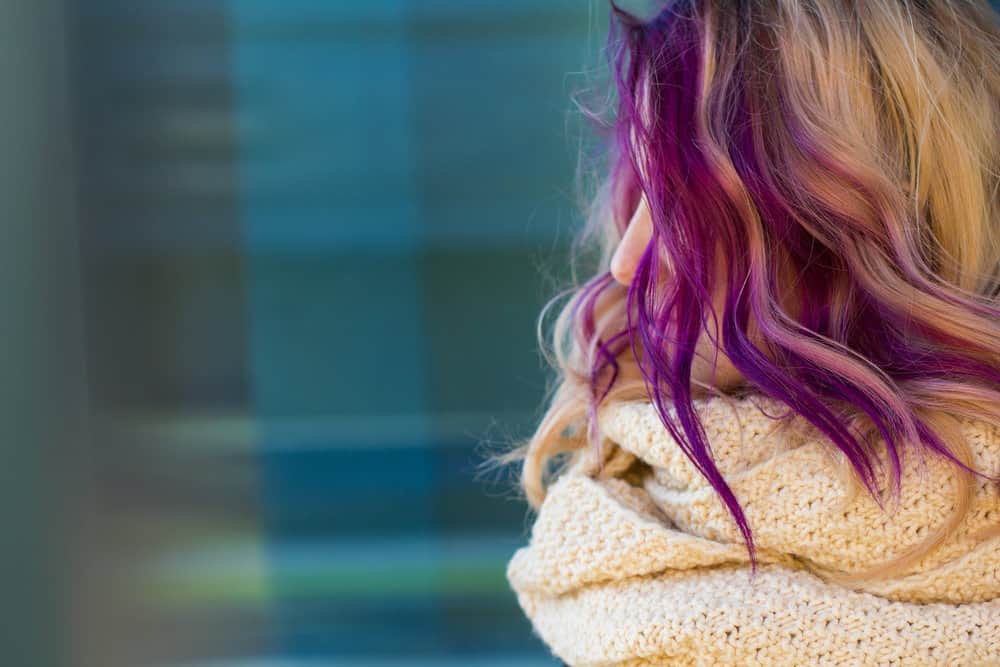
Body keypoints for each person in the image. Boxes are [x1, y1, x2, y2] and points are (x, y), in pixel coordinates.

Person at [491, 0, 1000, 664]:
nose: (625, 263)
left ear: (842, 217)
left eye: (687, 200)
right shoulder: (614, 557)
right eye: (639, 190)